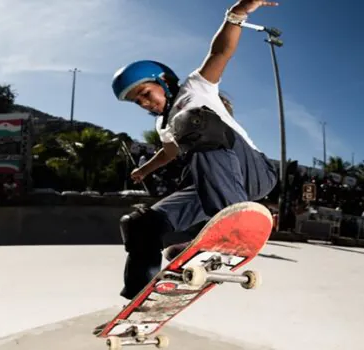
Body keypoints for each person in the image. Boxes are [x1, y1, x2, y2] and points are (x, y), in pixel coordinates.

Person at [111, 0, 279, 301]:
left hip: (254, 173)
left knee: (192, 122)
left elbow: (220, 52)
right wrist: (144, 169)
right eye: (138, 102)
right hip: (211, 184)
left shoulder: (195, 88)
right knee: (141, 224)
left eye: (146, 93)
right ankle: (140, 296)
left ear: (163, 81)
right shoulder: (166, 125)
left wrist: (238, 13)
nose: (145, 103)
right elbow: (168, 153)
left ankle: (232, 226)